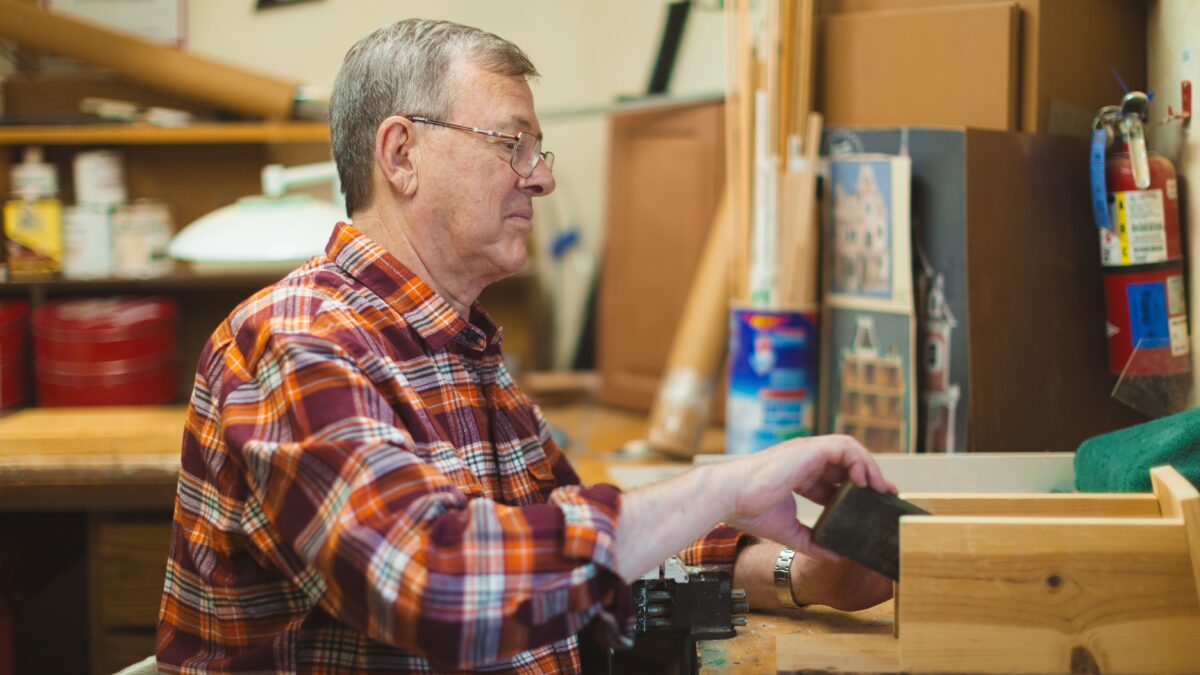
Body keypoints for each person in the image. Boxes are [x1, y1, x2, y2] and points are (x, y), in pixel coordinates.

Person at [156, 18, 894, 673]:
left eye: (538, 150)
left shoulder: (462, 350)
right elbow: (437, 584)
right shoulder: (298, 341)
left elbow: (575, 559)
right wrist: (723, 487)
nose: (540, 177)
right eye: (514, 144)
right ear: (402, 154)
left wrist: (798, 573)